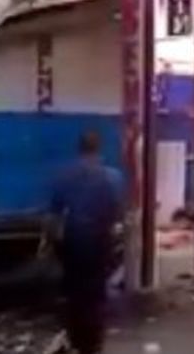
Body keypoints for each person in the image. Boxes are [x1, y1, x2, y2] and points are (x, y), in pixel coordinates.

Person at [48, 131, 124, 354]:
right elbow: (116, 216)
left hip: (74, 242)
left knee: (74, 295)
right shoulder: (112, 177)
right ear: (98, 149)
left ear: (79, 149)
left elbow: (54, 218)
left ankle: (76, 341)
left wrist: (55, 247)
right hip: (100, 243)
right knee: (96, 295)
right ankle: (94, 344)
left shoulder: (64, 176)